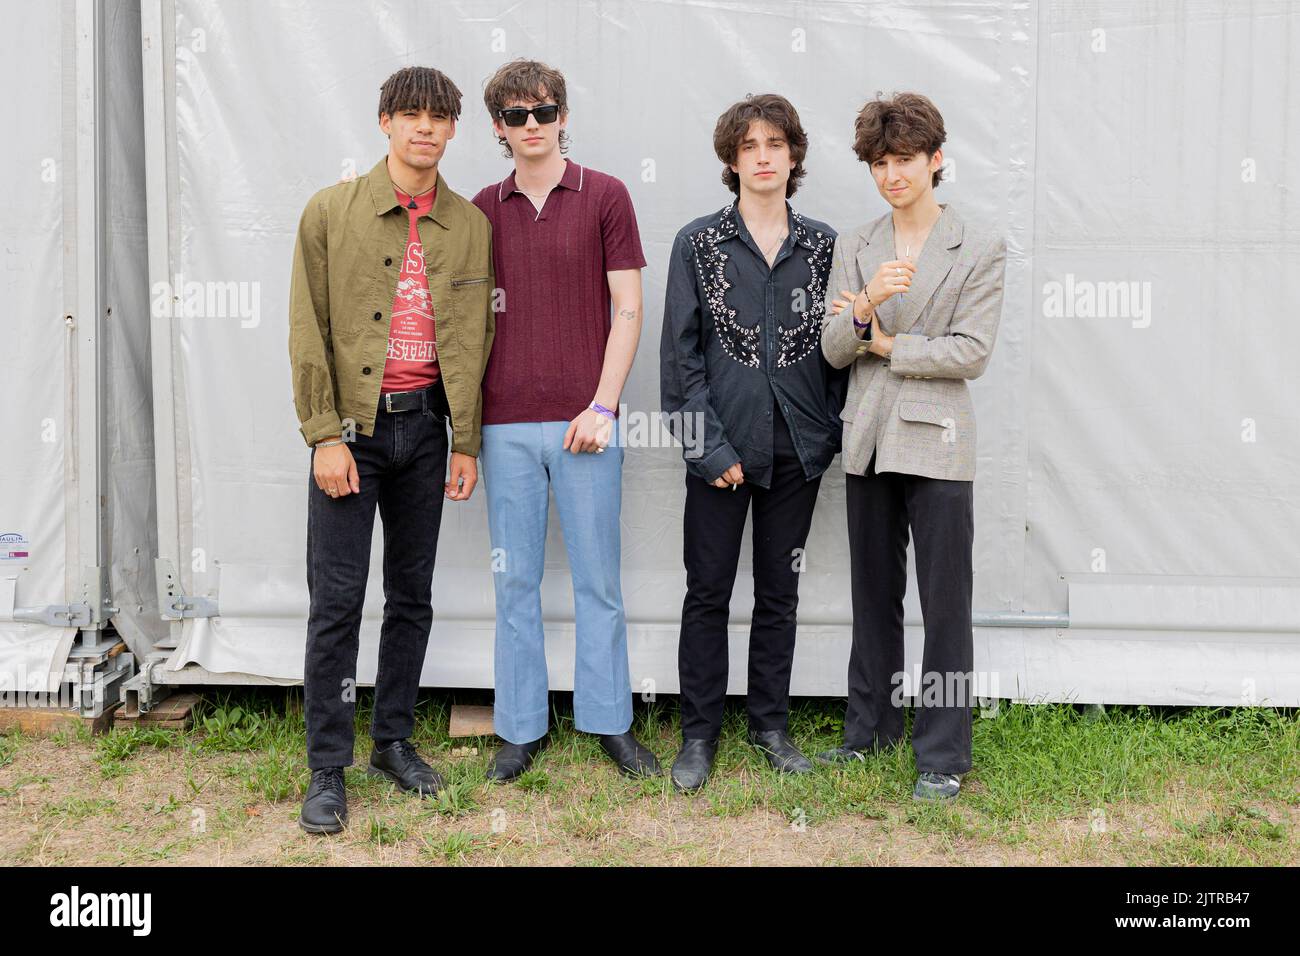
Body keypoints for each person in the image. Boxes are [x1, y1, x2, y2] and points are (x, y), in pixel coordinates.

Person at [288, 66, 495, 833]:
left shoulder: (469, 225)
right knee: (337, 603)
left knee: (412, 597)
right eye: (410, 116)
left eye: (438, 118)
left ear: (452, 130)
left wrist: (464, 441)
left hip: (427, 433)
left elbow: (475, 340)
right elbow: (307, 329)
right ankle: (325, 770)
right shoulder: (330, 212)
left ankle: (394, 742)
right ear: (383, 122)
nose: (425, 130)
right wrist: (322, 434)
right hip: (353, 432)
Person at [470, 59, 659, 781]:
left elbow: (630, 308)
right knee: (513, 583)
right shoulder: (482, 208)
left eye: (543, 112)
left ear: (563, 116)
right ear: (498, 128)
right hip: (505, 423)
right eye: (516, 117)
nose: (532, 127)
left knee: (597, 583)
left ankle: (609, 722)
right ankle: (519, 729)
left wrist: (604, 404)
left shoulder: (605, 195)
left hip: (588, 423)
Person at [818, 92, 1006, 801]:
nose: (892, 174)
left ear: (936, 161)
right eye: (879, 162)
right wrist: (863, 303)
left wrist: (884, 339)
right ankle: (868, 732)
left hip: (939, 443)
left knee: (945, 601)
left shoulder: (980, 244)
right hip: (866, 439)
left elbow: (971, 352)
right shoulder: (855, 244)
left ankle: (943, 755)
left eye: (904, 161)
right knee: (873, 596)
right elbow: (834, 351)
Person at [660, 94, 843, 793]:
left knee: (779, 594)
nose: (763, 156)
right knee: (706, 593)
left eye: (775, 143)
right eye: (749, 146)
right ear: (731, 160)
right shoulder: (697, 244)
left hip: (797, 450)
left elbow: (838, 349)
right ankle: (698, 734)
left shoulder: (826, 247)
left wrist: (823, 434)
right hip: (720, 452)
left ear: (793, 156)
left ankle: (770, 725)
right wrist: (708, 448)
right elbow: (681, 359)